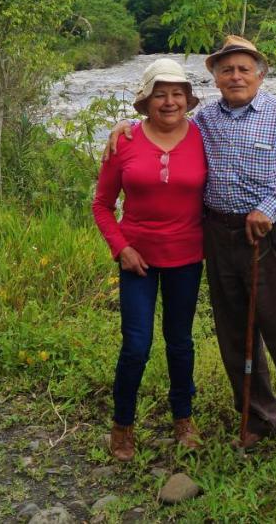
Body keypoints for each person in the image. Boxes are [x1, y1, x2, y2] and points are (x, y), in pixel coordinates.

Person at [108, 36, 276, 453]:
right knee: (234, 335)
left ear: (260, 75)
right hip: (218, 235)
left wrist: (272, 205)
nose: (235, 76)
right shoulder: (205, 119)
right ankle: (260, 421)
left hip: (271, 234)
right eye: (226, 70)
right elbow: (162, 119)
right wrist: (124, 126)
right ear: (214, 78)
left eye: (244, 69)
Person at [92, 58, 207, 462]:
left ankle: (183, 420)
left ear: (189, 100)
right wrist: (120, 248)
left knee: (180, 343)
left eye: (178, 94)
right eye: (161, 94)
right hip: (136, 260)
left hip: (187, 257)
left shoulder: (205, 136)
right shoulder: (123, 142)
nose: (170, 101)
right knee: (136, 346)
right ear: (146, 100)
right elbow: (103, 205)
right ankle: (122, 425)